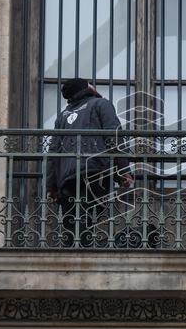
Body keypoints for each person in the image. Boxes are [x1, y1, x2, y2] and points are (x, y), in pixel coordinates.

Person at [46, 78, 133, 247]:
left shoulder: (63, 115)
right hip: (95, 171)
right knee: (90, 214)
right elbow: (114, 136)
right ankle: (84, 252)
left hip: (67, 179)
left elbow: (53, 152)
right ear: (86, 88)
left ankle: (75, 258)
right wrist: (123, 171)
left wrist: (52, 186)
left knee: (73, 222)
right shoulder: (100, 104)